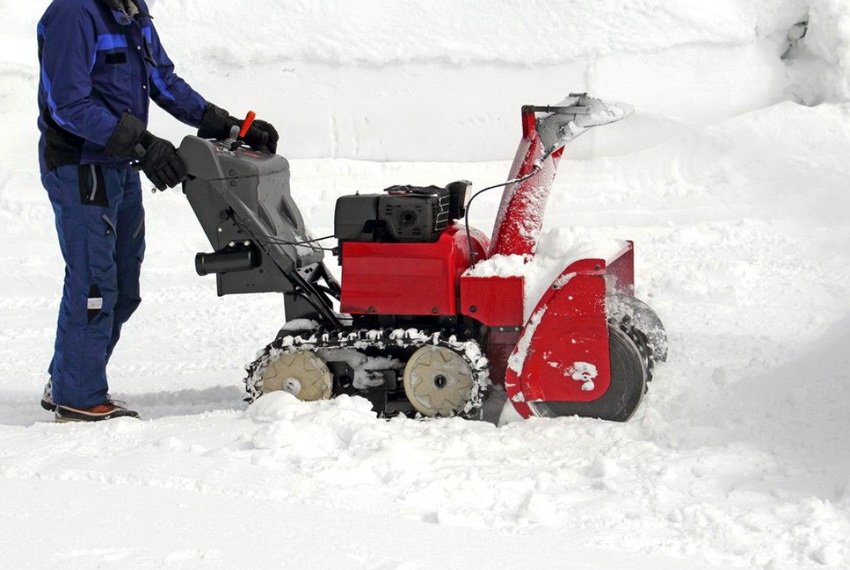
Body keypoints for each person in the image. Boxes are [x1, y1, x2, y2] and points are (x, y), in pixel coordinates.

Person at [37, 0, 279, 422]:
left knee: (125, 284)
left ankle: (69, 377)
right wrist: (144, 145)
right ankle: (77, 395)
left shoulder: (132, 9)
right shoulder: (74, 13)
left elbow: (161, 81)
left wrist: (228, 126)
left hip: (120, 163)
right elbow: (68, 104)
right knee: (95, 283)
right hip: (81, 166)